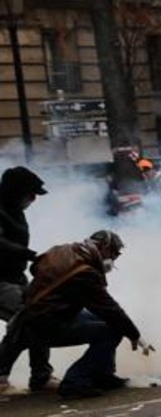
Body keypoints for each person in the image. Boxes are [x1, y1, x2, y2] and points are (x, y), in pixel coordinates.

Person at [0, 230, 154, 399]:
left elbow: (35, 267)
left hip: (34, 315)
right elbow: (109, 309)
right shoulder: (85, 273)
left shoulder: (61, 250)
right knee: (113, 330)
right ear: (103, 248)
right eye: (113, 254)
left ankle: (103, 374)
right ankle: (75, 381)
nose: (112, 261)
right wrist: (135, 336)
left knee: (105, 321)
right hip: (46, 324)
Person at [0, 166, 54, 393]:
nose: (33, 199)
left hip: (15, 276)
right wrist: (28, 254)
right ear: (15, 191)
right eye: (30, 193)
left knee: (37, 315)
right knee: (28, 320)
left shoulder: (14, 209)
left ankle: (40, 376)